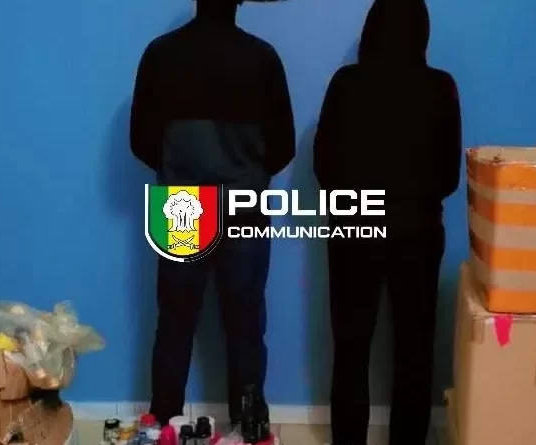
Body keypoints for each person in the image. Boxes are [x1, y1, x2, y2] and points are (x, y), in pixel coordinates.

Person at [129, 0, 295, 438]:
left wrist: (179, 172)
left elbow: (141, 140)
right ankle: (249, 429)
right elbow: (284, 146)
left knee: (175, 320)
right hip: (245, 203)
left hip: (182, 201)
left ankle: (163, 425)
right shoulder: (262, 58)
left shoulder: (162, 53)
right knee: (245, 325)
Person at [312, 0, 462, 444]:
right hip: (417, 230)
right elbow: (449, 176)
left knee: (351, 348)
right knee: (414, 351)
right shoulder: (440, 87)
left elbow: (324, 164)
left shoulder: (346, 83)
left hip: (353, 229)